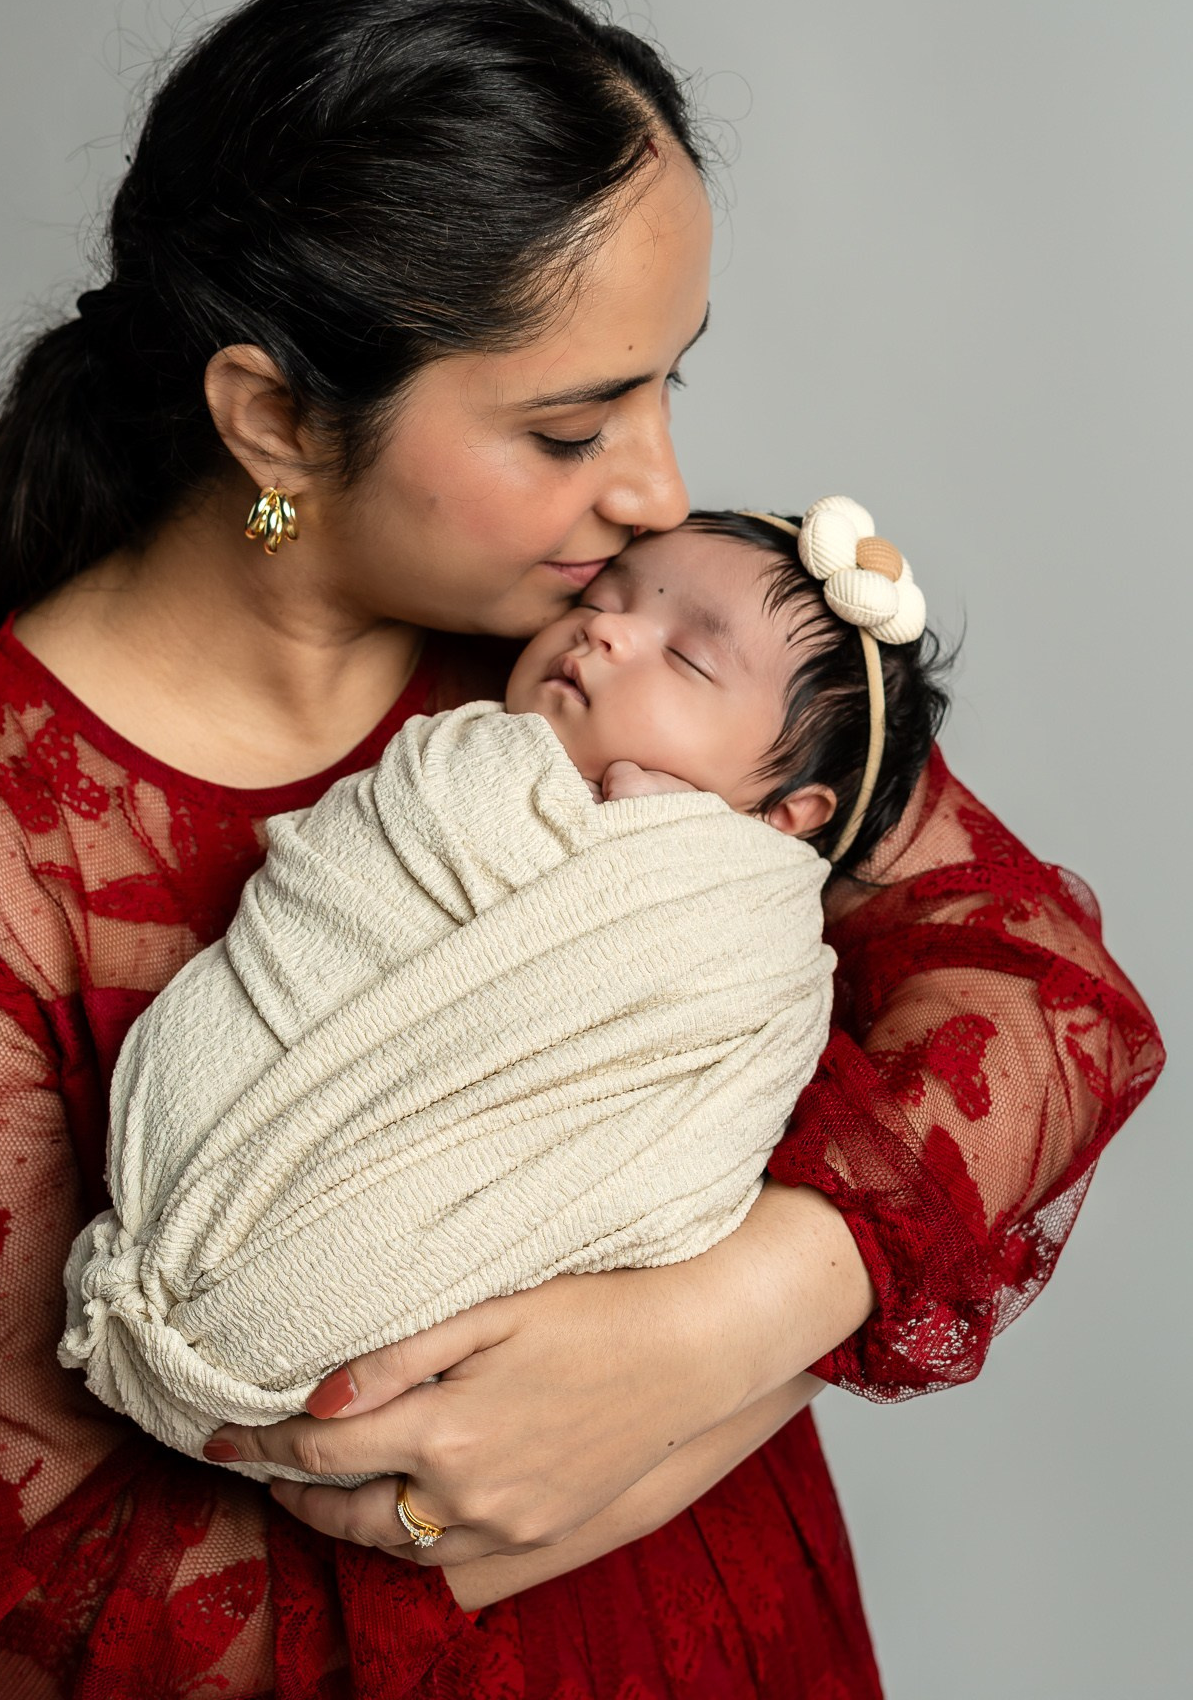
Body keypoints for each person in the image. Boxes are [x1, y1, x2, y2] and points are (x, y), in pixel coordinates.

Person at [0, 0, 1164, 1700]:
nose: (661, 486)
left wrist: (704, 1338)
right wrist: (495, 1492)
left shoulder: (595, 648)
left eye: (669, 381)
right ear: (273, 417)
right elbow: (25, 1591)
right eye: (573, 421)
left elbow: (1041, 991)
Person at [59, 504, 948, 1468]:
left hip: (527, 1365)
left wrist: (675, 857)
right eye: (607, 599)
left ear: (787, 814)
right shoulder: (460, 761)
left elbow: (678, 1118)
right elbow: (336, 897)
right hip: (228, 1165)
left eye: (685, 659)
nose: (605, 629)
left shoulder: (745, 918)